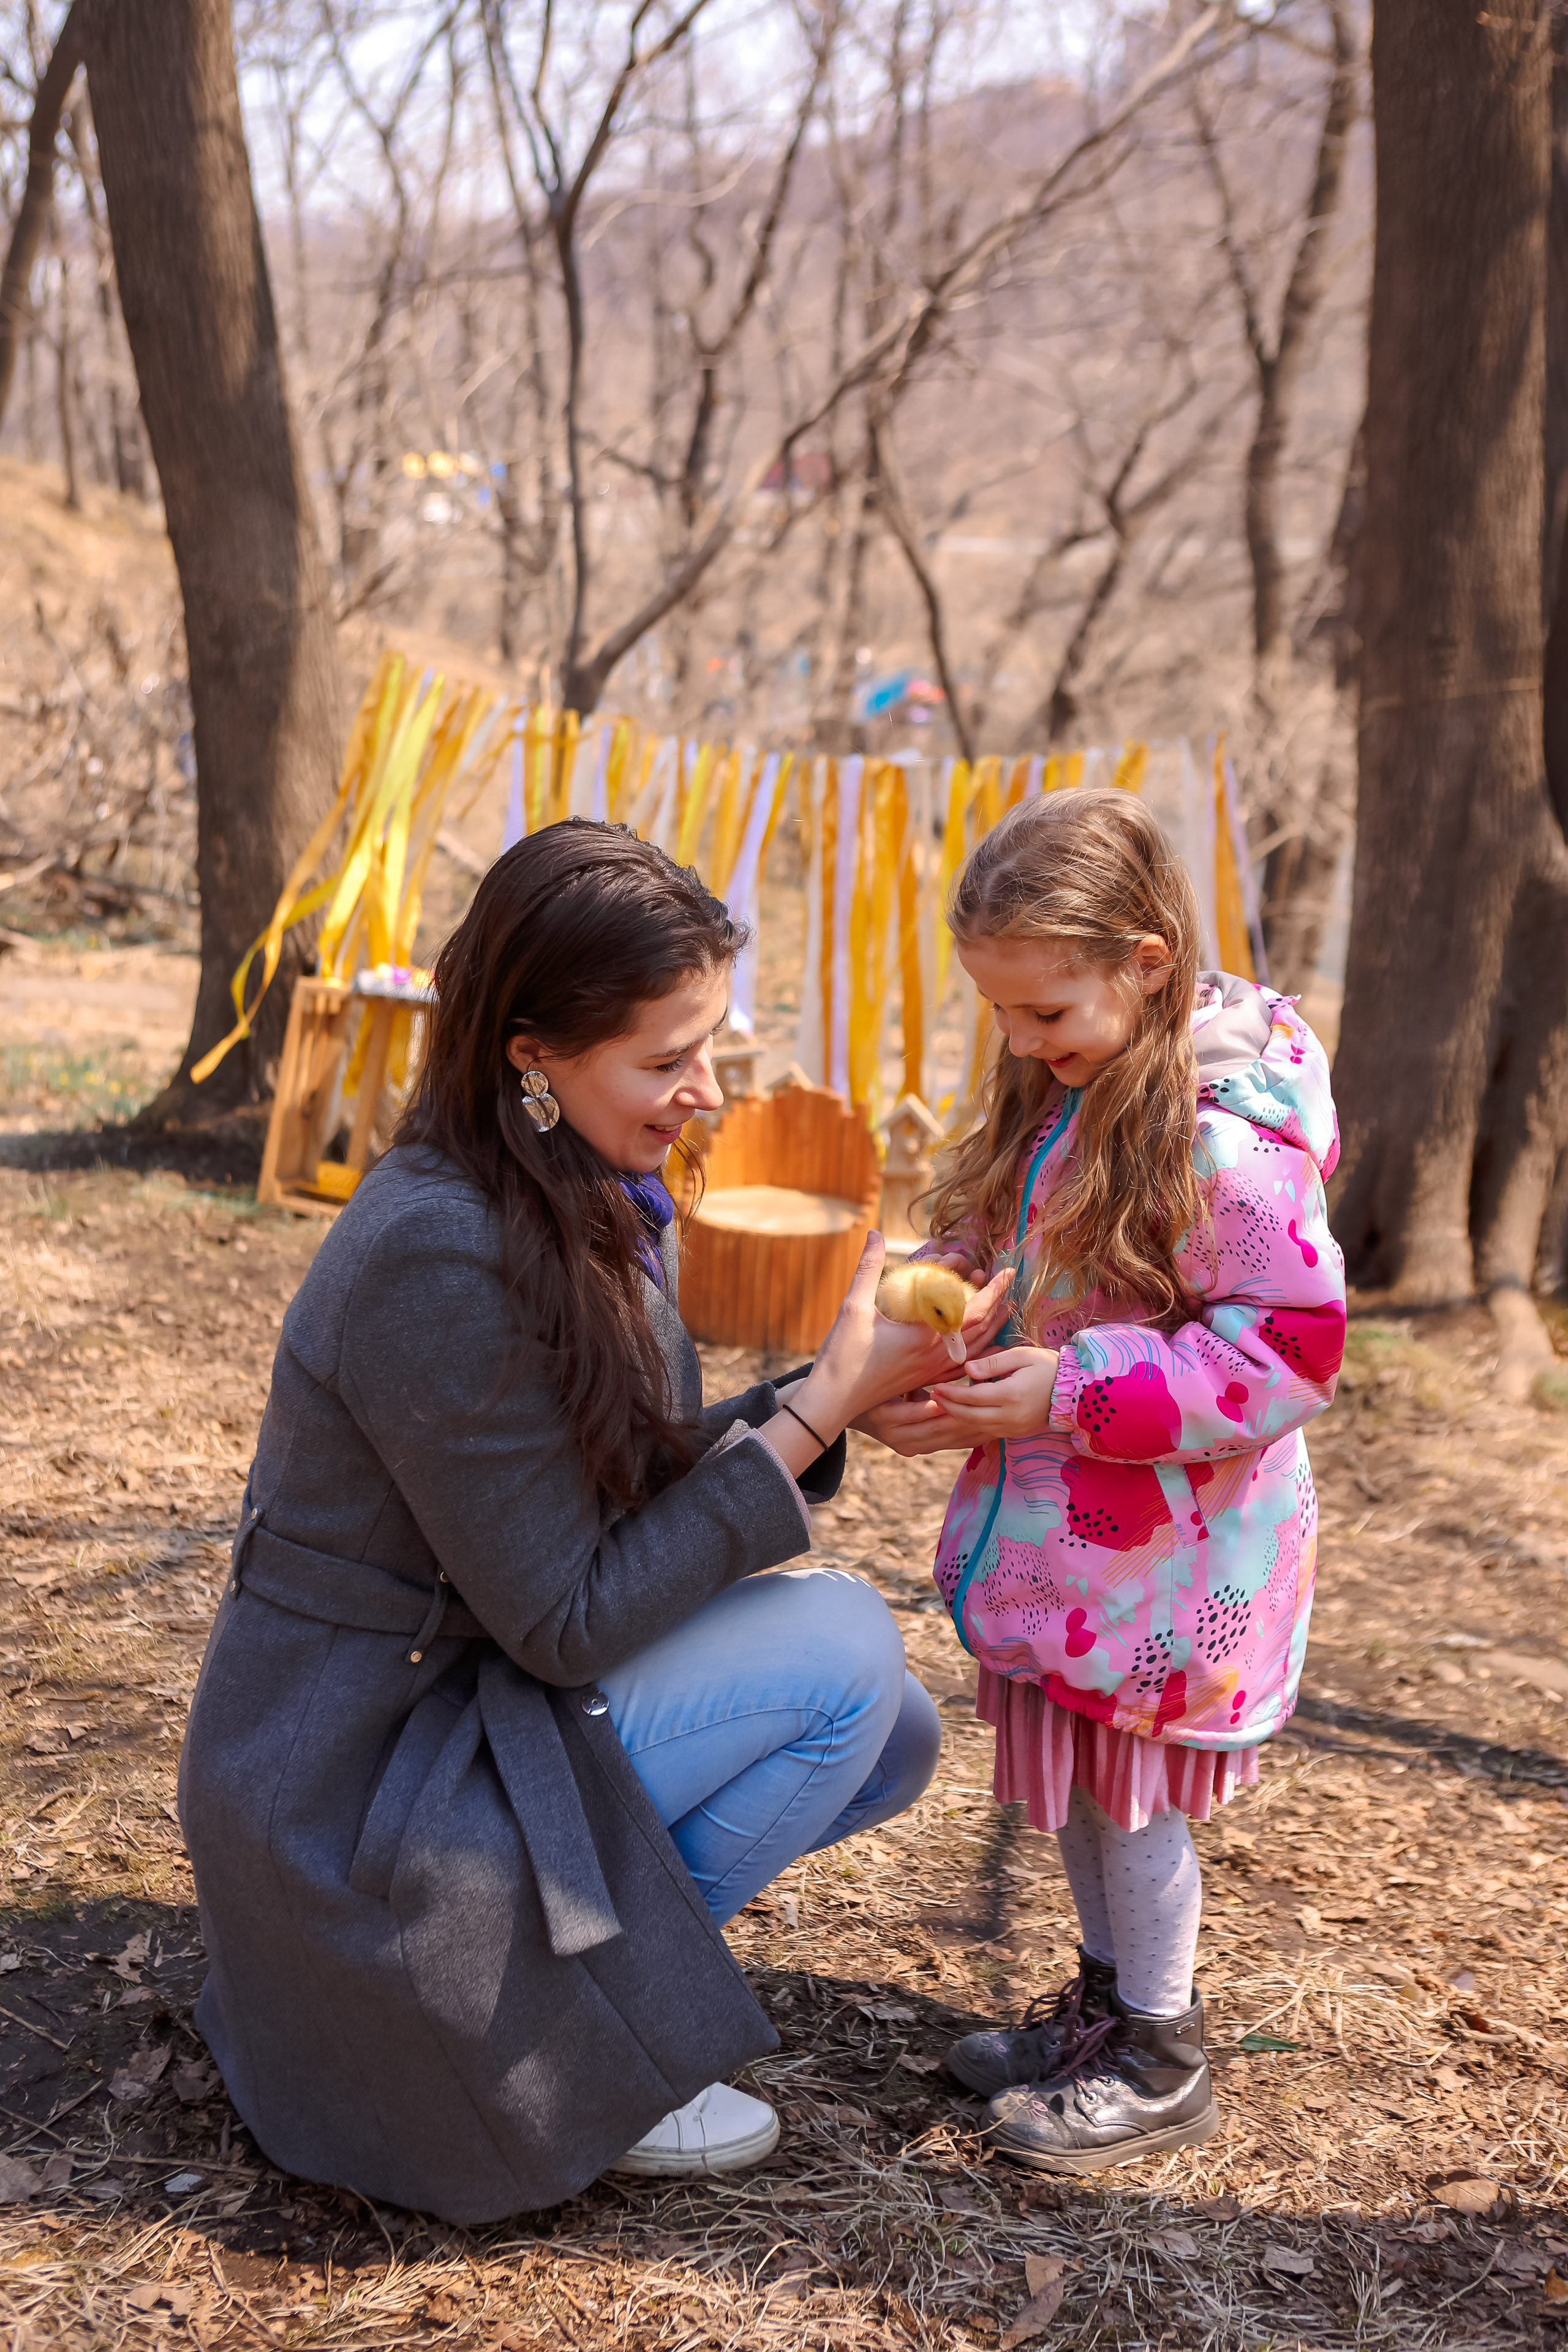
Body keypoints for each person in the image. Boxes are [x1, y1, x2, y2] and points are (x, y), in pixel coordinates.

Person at [178, 820, 1010, 2224]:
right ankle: (549, 2045)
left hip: (458, 1686)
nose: (703, 1092)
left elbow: (608, 1485)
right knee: (843, 1656)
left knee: (886, 1738)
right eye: (664, 1058)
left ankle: (580, 2000)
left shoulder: (582, 1189)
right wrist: (813, 1415)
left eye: (712, 1048)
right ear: (531, 1051)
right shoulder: (435, 1251)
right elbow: (564, 1623)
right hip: (357, 1769)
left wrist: (833, 1395)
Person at [858, 789, 1344, 2173]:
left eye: (1044, 1015)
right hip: (1074, 1551)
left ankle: (1161, 2045)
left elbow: (1288, 1351)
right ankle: (1101, 2005)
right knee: (1074, 1786)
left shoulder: (1224, 1142)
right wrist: (944, 1306)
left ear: (1142, 962)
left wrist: (1072, 1392)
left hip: (1172, 1559)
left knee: (1127, 1802)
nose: (1021, 1042)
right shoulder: (1072, 1083)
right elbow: (1015, 1234)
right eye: (1001, 1016)